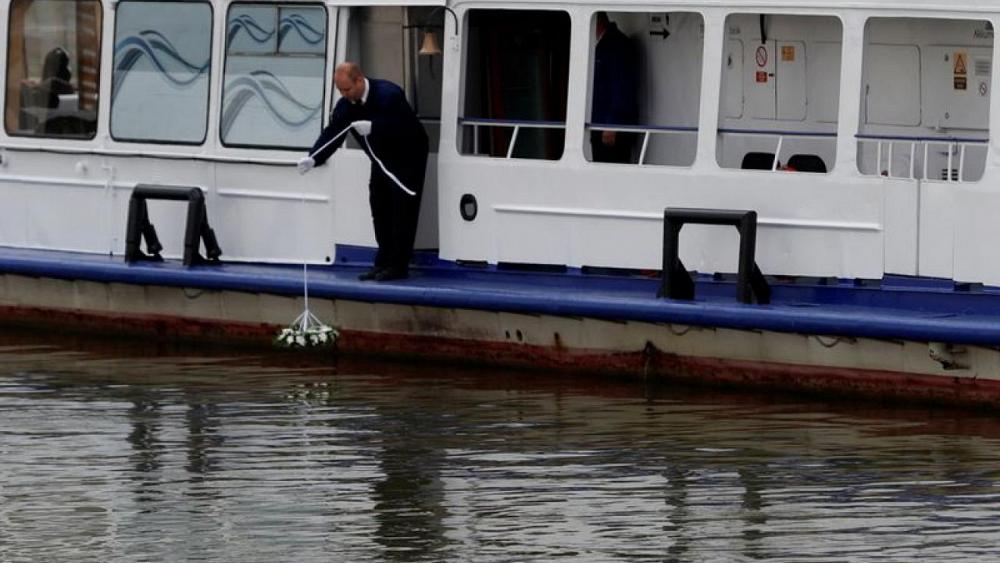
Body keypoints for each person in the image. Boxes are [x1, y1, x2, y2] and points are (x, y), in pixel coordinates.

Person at [298, 62, 429, 282]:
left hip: (408, 157)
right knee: (379, 207)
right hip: (380, 159)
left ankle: (398, 265)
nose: (344, 94)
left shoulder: (389, 95)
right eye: (340, 90)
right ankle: (383, 262)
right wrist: (313, 158)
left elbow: (403, 126)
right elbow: (333, 133)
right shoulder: (346, 106)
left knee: (402, 211)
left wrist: (375, 127)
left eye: (347, 89)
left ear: (359, 80)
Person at [591, 12, 639, 164]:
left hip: (611, 131)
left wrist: (612, 124)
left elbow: (622, 87)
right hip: (601, 125)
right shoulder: (606, 44)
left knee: (610, 175)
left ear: (596, 24)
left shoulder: (617, 45)